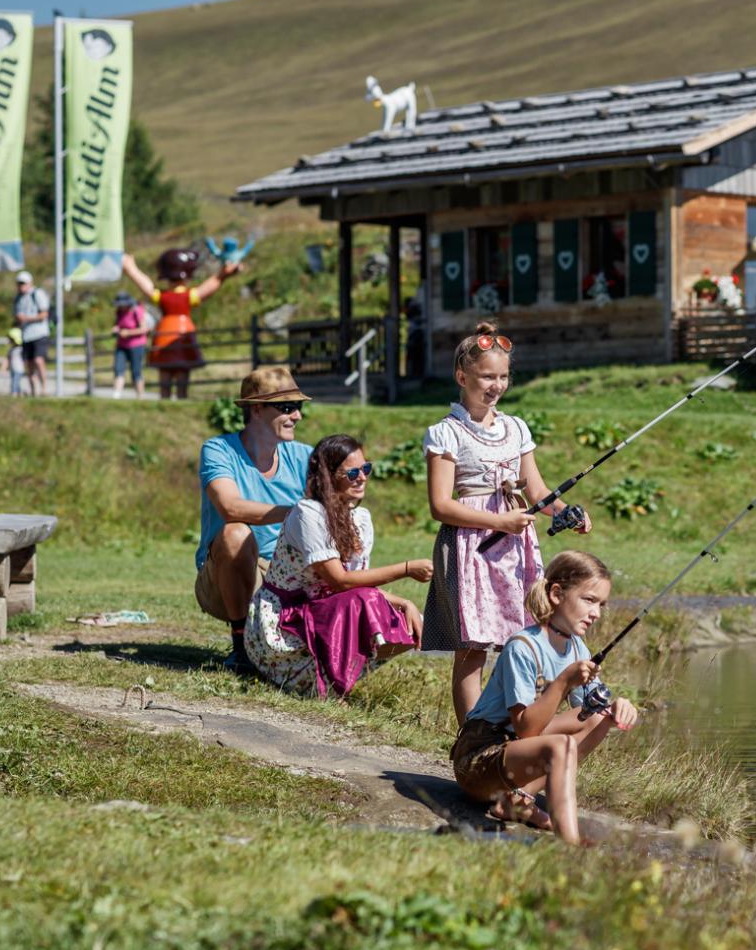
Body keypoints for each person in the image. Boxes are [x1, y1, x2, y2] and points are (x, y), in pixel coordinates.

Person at [422, 321, 593, 726]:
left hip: (515, 547)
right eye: (486, 377)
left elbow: (537, 490)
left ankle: (515, 725)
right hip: (470, 550)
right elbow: (440, 505)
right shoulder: (446, 433)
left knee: (520, 637)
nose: (496, 385)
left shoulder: (516, 428)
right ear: (462, 376)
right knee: (473, 648)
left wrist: (564, 512)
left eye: (502, 377)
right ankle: (473, 737)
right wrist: (499, 519)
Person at [451, 550, 638, 845]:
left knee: (599, 717)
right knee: (560, 745)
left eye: (602, 605)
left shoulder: (578, 649)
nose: (597, 613)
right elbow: (526, 728)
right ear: (556, 594)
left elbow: (590, 711)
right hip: (478, 760)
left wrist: (618, 707)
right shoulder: (522, 647)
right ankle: (570, 841)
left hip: (514, 756)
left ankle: (518, 800)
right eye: (589, 600)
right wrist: (564, 681)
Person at [245, 434, 433, 696]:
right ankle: (316, 680)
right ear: (327, 476)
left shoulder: (361, 518)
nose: (362, 477)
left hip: (326, 612)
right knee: (366, 602)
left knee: (406, 620)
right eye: (352, 472)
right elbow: (340, 581)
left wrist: (404, 603)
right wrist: (407, 568)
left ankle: (333, 681)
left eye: (366, 468)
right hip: (283, 625)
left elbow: (356, 583)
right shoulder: (308, 513)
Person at [196, 366, 314, 672]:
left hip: (288, 573)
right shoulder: (218, 449)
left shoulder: (305, 456)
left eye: (298, 407)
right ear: (257, 410)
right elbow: (230, 508)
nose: (297, 416)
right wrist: (298, 512)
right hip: (228, 578)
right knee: (234, 533)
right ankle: (241, 648)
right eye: (287, 407)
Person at [120, 248, 239, 400]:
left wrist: (131, 269)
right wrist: (222, 275)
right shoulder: (188, 296)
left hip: (165, 332)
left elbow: (148, 287)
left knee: (166, 371)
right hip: (183, 332)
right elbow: (208, 287)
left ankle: (166, 398)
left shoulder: (163, 296)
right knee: (182, 370)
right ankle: (181, 397)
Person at [12, 272, 50, 396]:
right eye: (19, 283)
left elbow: (44, 314)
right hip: (26, 335)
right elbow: (17, 317)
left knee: (39, 360)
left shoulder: (37, 294)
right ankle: (34, 392)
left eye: (23, 283)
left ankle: (44, 390)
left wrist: (27, 318)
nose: (21, 286)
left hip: (39, 333)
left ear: (30, 283)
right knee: (29, 364)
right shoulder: (18, 298)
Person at [111, 292, 149, 398]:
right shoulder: (119, 312)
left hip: (136, 345)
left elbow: (144, 329)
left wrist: (128, 333)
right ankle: (116, 395)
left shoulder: (136, 311)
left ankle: (140, 396)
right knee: (118, 369)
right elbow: (117, 324)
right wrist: (116, 329)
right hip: (122, 345)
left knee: (136, 371)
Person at [2, 328, 25, 396]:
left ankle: (14, 394)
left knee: (15, 382)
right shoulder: (11, 350)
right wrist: (4, 367)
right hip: (13, 369)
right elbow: (7, 359)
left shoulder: (21, 349)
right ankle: (19, 393)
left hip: (19, 369)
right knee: (15, 382)